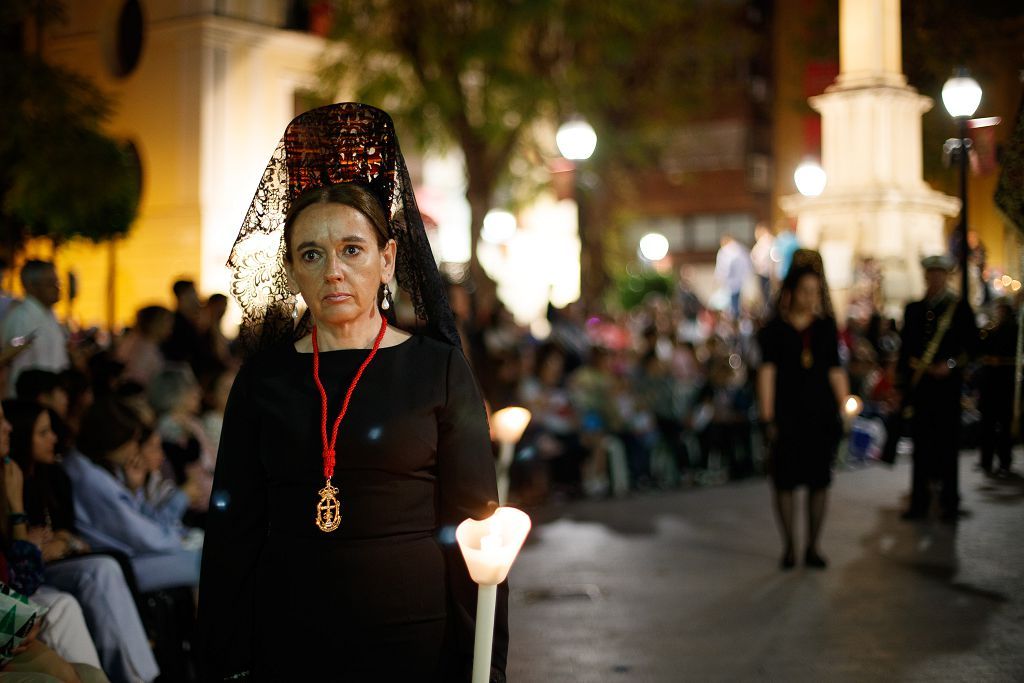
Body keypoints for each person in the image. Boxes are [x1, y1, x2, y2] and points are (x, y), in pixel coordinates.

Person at [196, 103, 507, 682]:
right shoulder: (263, 380)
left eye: (352, 250)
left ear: (388, 260)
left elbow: (476, 532)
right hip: (289, 638)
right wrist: (224, 659)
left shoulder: (438, 370)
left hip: (415, 638)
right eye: (311, 254)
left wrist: (484, 664)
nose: (332, 270)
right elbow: (232, 532)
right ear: (292, 270)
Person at [756, 250, 848, 569]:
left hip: (820, 414)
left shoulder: (824, 328)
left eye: (815, 292)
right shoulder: (774, 330)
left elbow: (835, 370)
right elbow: (767, 374)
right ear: (791, 292)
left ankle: (813, 546)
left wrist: (845, 404)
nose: (811, 298)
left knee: (818, 482)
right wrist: (767, 416)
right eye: (805, 291)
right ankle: (790, 546)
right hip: (787, 415)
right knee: (785, 482)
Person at [896, 254, 978, 522]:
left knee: (947, 445)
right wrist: (901, 383)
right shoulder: (914, 309)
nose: (935, 277)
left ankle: (949, 502)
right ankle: (919, 501)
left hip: (947, 390)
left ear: (946, 275)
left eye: (939, 273)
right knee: (921, 445)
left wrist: (951, 365)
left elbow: (972, 349)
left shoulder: (960, 309)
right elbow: (905, 350)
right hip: (922, 388)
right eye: (931, 272)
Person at [1, 261, 69, 396]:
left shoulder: (50, 315)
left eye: (58, 282)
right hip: (30, 401)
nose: (57, 288)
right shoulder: (21, 318)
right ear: (31, 286)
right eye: (50, 283)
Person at [976, 299, 1017, 476]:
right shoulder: (990, 330)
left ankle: (1004, 461)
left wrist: (1000, 361)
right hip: (990, 383)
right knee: (987, 424)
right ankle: (986, 460)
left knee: (1004, 424)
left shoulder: (1013, 330)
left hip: (1005, 382)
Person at [114, 306, 173, 387]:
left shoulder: (134, 341)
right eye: (166, 321)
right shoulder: (144, 349)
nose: (170, 326)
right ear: (155, 323)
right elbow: (135, 381)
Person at [160, 281, 202, 373]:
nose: (198, 297)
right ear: (183, 295)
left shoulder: (190, 322)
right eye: (194, 293)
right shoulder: (173, 324)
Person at [713, 234, 752, 320]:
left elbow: (723, 267)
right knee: (736, 302)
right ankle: (736, 317)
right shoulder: (741, 249)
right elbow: (748, 265)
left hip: (731, 282)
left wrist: (719, 277)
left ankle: (734, 319)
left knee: (731, 304)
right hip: (739, 281)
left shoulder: (725, 251)